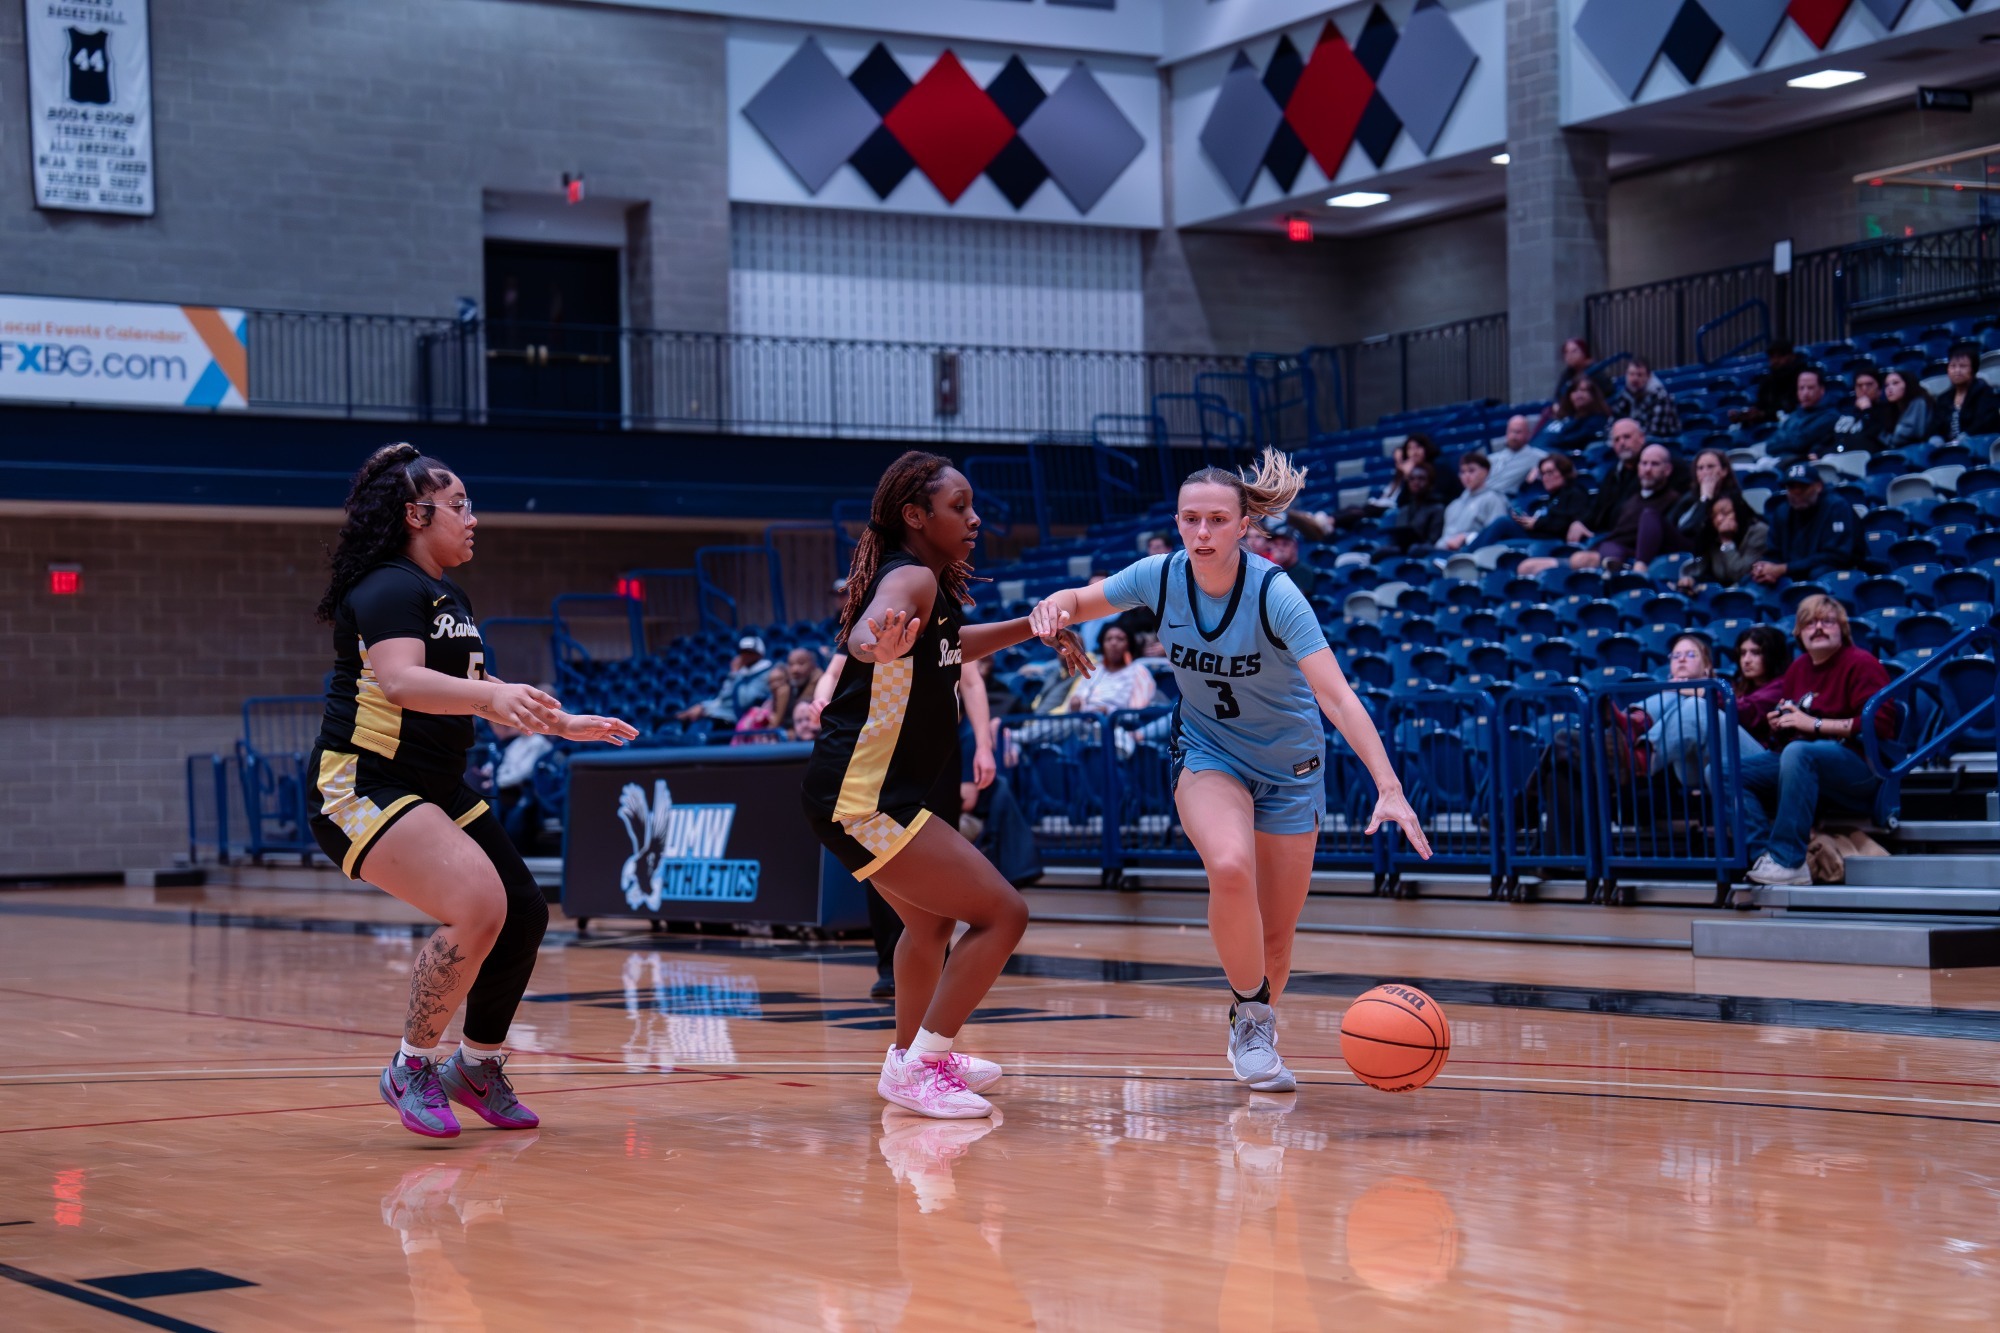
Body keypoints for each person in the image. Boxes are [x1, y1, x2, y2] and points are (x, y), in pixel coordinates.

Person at [1029, 449, 1430, 1096]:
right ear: (1178, 523)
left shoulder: (1277, 592)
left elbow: (1337, 696)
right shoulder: (1159, 577)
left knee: (1276, 931)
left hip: (1293, 768)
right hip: (1210, 752)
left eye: (1217, 519)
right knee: (1230, 865)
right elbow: (1080, 599)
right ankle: (1251, 1016)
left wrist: (1389, 786)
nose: (1203, 533)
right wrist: (1053, 607)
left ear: (1245, 525)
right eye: (1191, 519)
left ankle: (1255, 1015)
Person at [309, 443, 637, 1139]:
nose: (473, 518)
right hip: (363, 782)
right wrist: (494, 692)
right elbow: (401, 681)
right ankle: (410, 1065)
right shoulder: (387, 587)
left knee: (522, 912)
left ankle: (476, 1065)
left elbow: (474, 696)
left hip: (435, 782)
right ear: (414, 513)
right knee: (477, 903)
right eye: (458, 505)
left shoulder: (445, 595)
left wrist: (563, 722)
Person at [801, 449, 1088, 1119]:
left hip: (857, 792)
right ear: (914, 514)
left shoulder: (931, 587)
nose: (975, 517)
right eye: (959, 507)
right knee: (1004, 912)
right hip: (862, 796)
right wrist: (874, 643)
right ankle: (926, 1059)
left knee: (928, 924)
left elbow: (955, 645)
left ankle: (908, 1057)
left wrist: (1033, 628)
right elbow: (876, 629)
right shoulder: (911, 582)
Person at [812, 649, 1000, 1002]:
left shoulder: (949, 620)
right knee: (883, 863)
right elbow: (834, 670)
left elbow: (972, 682)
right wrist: (821, 699)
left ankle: (937, 968)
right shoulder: (886, 615)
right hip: (889, 753)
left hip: (941, 754)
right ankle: (888, 968)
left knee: (942, 863)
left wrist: (984, 747)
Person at [1740, 597, 1893, 886]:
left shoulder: (1861, 663)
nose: (1818, 628)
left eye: (1827, 621)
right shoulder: (1799, 668)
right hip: (1808, 761)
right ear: (1799, 633)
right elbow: (1798, 731)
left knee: (1799, 752)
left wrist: (1815, 724)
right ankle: (1764, 856)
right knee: (1726, 771)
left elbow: (1881, 723)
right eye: (1810, 623)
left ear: (1843, 630)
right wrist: (1782, 724)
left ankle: (1789, 861)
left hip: (1861, 766)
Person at [1516, 441, 1679, 576]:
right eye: (1644, 463)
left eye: (1654, 464)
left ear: (1668, 469)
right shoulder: (1632, 498)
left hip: (1619, 554)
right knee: (1525, 567)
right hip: (1603, 548)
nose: (1648, 469)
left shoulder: (1672, 500)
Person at [1627, 635, 1764, 788]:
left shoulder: (1725, 687)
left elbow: (1745, 713)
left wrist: (1698, 691)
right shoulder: (1669, 697)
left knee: (1693, 703)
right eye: (1676, 656)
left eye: (1690, 655)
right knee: (1672, 697)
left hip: (1743, 760)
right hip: (1694, 769)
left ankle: (1642, 755)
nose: (1681, 660)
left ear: (1707, 667)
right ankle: (1631, 725)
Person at [1751, 463, 1862, 586]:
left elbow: (1836, 556)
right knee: (1753, 581)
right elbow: (1773, 552)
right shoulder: (1782, 511)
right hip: (1794, 570)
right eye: (1792, 487)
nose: (1797, 492)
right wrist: (1764, 568)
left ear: (1818, 486)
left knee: (1820, 574)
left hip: (1836, 571)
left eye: (1803, 486)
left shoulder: (1836, 507)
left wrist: (1784, 569)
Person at [1465, 451, 1594, 551]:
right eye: (1542, 474)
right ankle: (1466, 555)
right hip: (1536, 536)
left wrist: (1536, 523)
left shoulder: (1575, 492)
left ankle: (1465, 556)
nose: (1545, 478)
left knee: (1502, 523)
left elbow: (1565, 522)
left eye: (1550, 472)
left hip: (1552, 542)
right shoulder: (1552, 497)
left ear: (1564, 472)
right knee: (1504, 526)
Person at [675, 636, 776, 725]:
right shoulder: (742, 673)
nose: (745, 656)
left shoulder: (767, 674)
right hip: (721, 716)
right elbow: (723, 697)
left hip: (737, 721)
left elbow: (744, 701)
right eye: (743, 652)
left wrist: (735, 673)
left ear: (760, 654)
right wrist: (703, 707)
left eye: (750, 652)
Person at [1677, 493, 1767, 589]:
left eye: (1725, 513)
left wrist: (1727, 542)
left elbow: (1741, 574)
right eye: (1714, 516)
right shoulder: (1714, 537)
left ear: (1739, 511)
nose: (1719, 519)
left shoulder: (1758, 532)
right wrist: (1692, 581)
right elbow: (1707, 573)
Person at [1061, 625, 1156, 714]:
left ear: (1129, 645)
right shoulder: (1094, 670)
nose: (1113, 643)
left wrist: (1108, 711)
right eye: (1108, 639)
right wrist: (1076, 703)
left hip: (1118, 726)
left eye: (1120, 639)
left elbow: (1138, 710)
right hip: (1086, 721)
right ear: (1102, 645)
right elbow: (1076, 702)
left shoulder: (1138, 671)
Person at [1667, 448, 1748, 551]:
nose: (1705, 472)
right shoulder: (1689, 497)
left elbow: (1692, 530)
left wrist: (1705, 499)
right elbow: (1668, 524)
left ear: (1724, 471)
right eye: (1700, 468)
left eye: (1710, 467)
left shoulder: (1732, 499)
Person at [1732, 624, 1793, 747]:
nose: (1746, 660)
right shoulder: (1739, 686)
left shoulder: (1782, 685)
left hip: (1764, 755)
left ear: (1773, 656)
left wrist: (1707, 693)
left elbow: (1748, 712)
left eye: (1755, 653)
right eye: (1743, 653)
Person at [1765, 367, 1839, 464]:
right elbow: (1769, 445)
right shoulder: (1793, 416)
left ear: (1822, 390)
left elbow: (1799, 443)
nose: (1805, 393)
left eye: (1810, 388)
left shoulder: (1830, 416)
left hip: (1802, 464)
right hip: (1781, 459)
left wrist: (1783, 441)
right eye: (1801, 388)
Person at [1438, 452, 1509, 552]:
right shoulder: (1453, 505)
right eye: (1463, 472)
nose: (1466, 475)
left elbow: (1495, 533)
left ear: (1485, 472)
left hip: (1470, 552)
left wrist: (1466, 537)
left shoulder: (1493, 499)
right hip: (1442, 550)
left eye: (1471, 471)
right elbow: (1445, 538)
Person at [1730, 341, 1804, 428]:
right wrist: (1749, 414)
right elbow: (1761, 404)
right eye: (1772, 357)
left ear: (1791, 357)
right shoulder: (1768, 380)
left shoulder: (1803, 378)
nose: (1775, 361)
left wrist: (1764, 414)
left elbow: (1792, 407)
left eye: (1780, 357)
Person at [1608, 355, 1683, 441]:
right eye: (1631, 374)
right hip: (1632, 442)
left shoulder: (1660, 397)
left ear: (1648, 377)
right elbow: (1612, 424)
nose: (1635, 379)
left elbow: (1655, 432)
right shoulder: (1625, 395)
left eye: (1639, 375)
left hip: (1660, 444)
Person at [1940, 342, 2000, 442]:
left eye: (1962, 366)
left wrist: (1964, 437)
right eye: (1953, 366)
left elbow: (1982, 423)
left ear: (1973, 370)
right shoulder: (1943, 399)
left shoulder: (1985, 393)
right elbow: (1937, 427)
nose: (1957, 371)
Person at [1537, 377, 1613, 453]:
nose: (1578, 394)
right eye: (1574, 391)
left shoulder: (1598, 419)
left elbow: (1574, 440)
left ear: (1593, 395)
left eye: (1583, 390)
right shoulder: (1558, 418)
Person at [1380, 463, 1444, 551]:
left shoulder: (1437, 509)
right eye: (1412, 479)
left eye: (1421, 479)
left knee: (1414, 549)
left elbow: (1433, 541)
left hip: (1423, 552)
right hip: (1403, 550)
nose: (1416, 482)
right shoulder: (1404, 510)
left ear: (1430, 483)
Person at [1483, 414, 1548, 497]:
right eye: (1511, 431)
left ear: (1528, 434)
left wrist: (1539, 472)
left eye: (1518, 432)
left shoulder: (1537, 456)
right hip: (1478, 496)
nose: (1514, 436)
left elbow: (1557, 467)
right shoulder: (1490, 459)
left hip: (1502, 499)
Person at [1832, 366, 1894, 452]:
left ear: (1879, 390)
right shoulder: (1846, 414)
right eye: (1859, 386)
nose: (1864, 389)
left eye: (1869, 385)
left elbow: (1876, 435)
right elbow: (1831, 440)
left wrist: (1867, 410)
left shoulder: (1889, 410)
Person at [768, 648, 823, 736]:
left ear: (813, 665)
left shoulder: (821, 683)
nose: (795, 669)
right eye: (791, 664)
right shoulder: (788, 688)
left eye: (801, 663)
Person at [1878, 369, 1934, 451]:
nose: (1889, 389)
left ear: (1907, 384)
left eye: (1895, 383)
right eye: (1886, 385)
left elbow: (1904, 436)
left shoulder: (1919, 402)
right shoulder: (1891, 409)